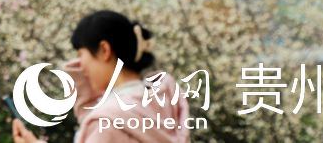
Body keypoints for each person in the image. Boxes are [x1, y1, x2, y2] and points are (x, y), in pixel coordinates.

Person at [12, 10, 190, 143]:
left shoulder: (107, 119)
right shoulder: (161, 99)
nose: (80, 64)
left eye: (81, 55)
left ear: (104, 50)